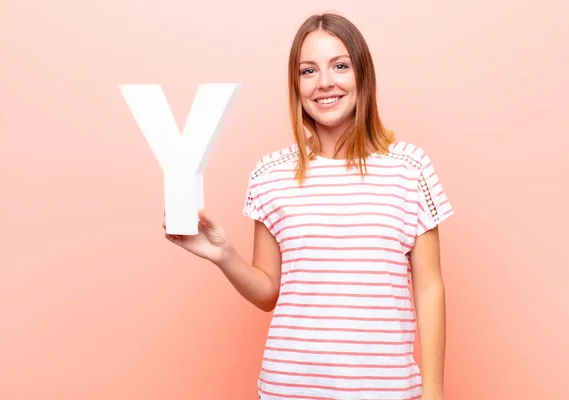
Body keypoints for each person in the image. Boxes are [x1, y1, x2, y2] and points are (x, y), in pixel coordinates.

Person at [164, 12, 454, 400]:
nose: (325, 83)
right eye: (308, 71)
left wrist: (434, 395)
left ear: (362, 74)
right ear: (295, 85)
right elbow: (269, 293)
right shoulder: (270, 175)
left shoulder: (410, 168)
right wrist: (223, 255)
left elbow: (429, 288)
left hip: (388, 391)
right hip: (289, 389)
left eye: (340, 65)